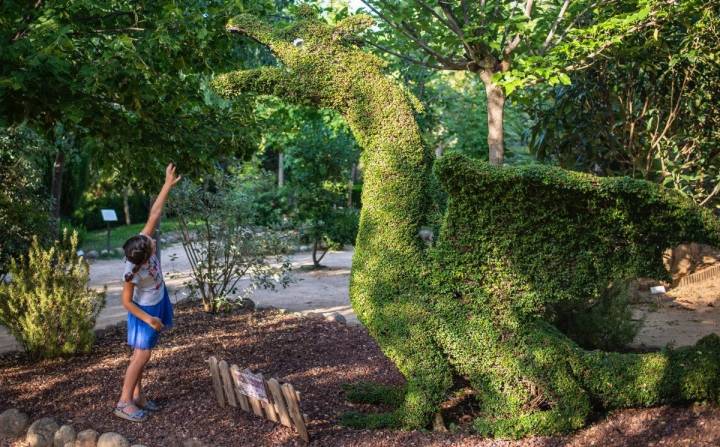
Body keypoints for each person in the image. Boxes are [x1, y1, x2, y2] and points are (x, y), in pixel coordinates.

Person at [114, 163, 181, 422]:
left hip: (158, 300)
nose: (152, 239)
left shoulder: (139, 245)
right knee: (142, 355)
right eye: (151, 242)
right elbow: (126, 302)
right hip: (146, 310)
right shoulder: (133, 272)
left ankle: (138, 396)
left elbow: (154, 214)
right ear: (144, 258)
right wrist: (149, 319)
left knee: (142, 355)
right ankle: (123, 402)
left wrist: (166, 184)